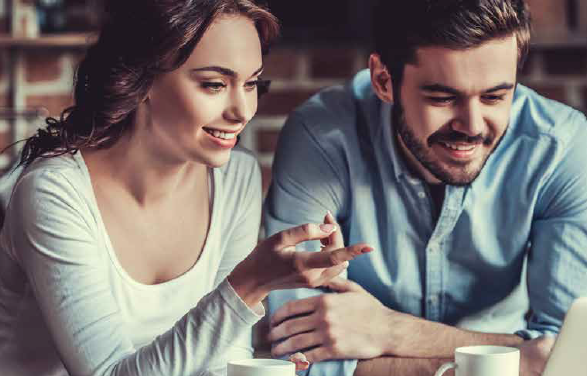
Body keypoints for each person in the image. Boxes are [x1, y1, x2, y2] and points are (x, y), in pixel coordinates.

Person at [0, 1, 373, 375]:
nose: (242, 110)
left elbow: (215, 359)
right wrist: (249, 284)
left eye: (251, 84)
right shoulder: (53, 193)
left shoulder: (233, 178)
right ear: (142, 80)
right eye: (214, 84)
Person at [262, 0, 587, 375]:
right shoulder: (321, 138)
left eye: (495, 96)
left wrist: (390, 330)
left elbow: (574, 357)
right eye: (443, 98)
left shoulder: (559, 146)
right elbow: (300, 356)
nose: (473, 126)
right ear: (384, 80)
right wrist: (514, 357)